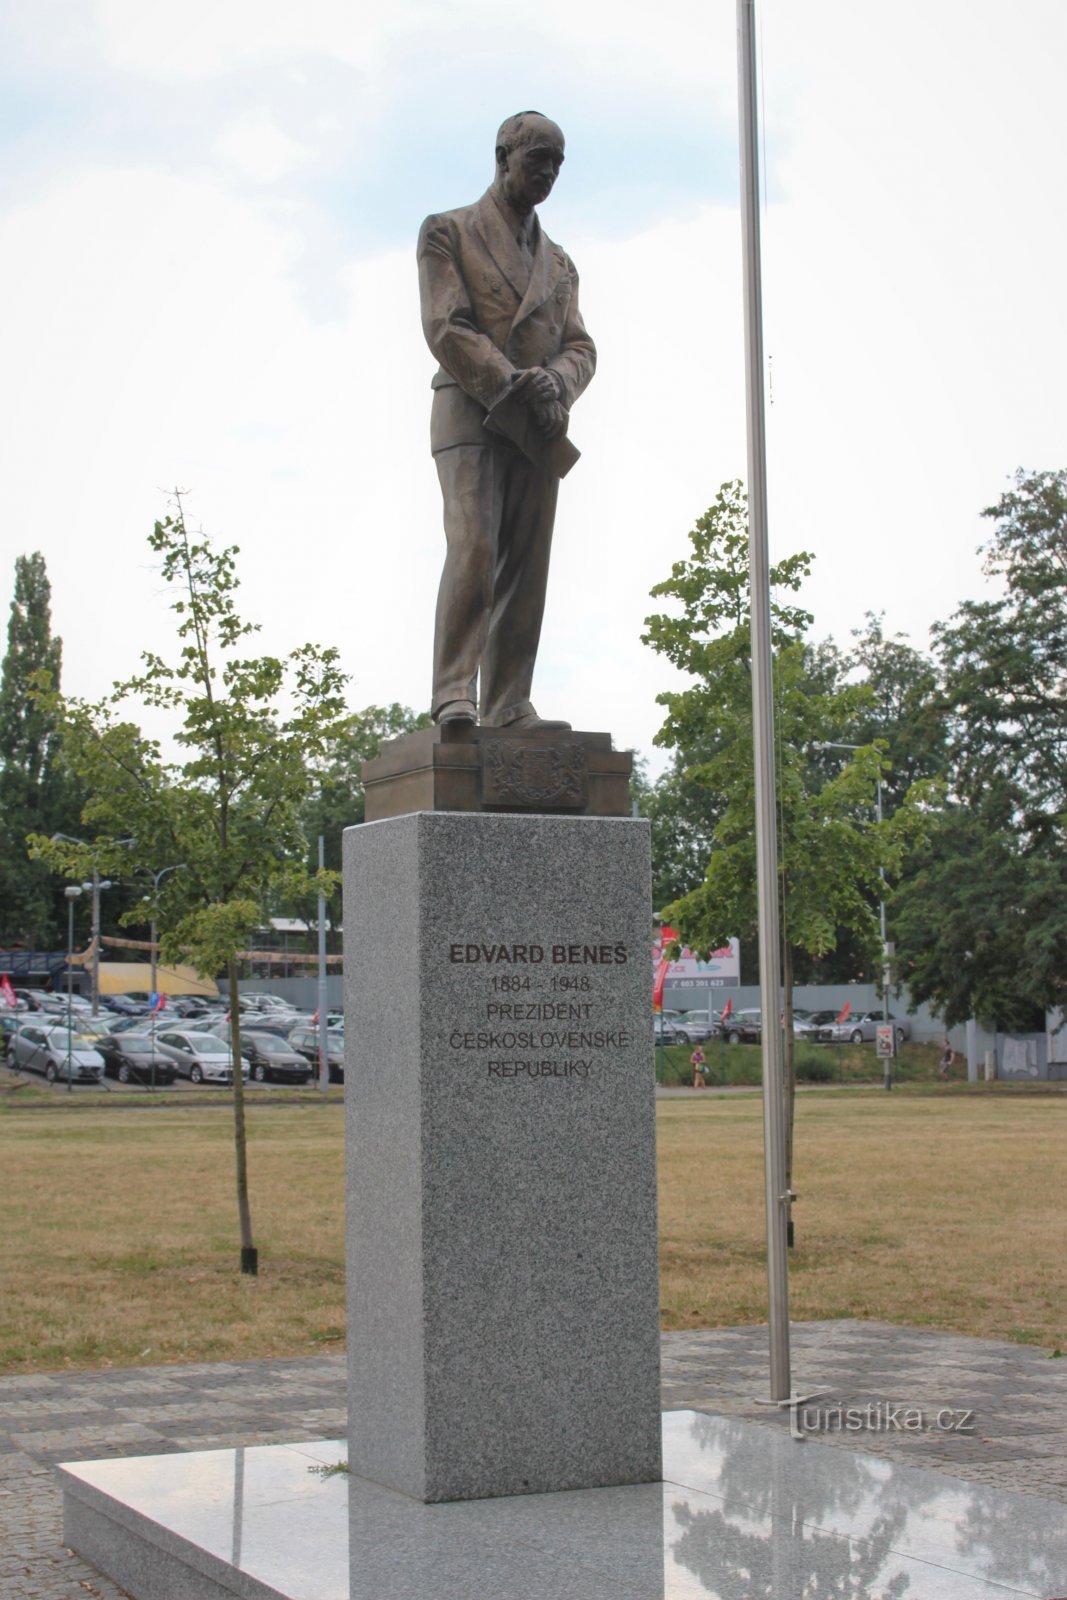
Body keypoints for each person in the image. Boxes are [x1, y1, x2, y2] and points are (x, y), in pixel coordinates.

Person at [417, 111, 596, 729]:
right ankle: (453, 693)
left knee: (528, 563)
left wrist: (557, 382)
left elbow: (581, 346)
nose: (548, 172)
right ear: (503, 156)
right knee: (476, 544)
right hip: (475, 409)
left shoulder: (561, 264)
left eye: (557, 163)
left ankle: (508, 702)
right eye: (537, 158)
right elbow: (447, 325)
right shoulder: (448, 231)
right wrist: (512, 381)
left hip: (538, 423)